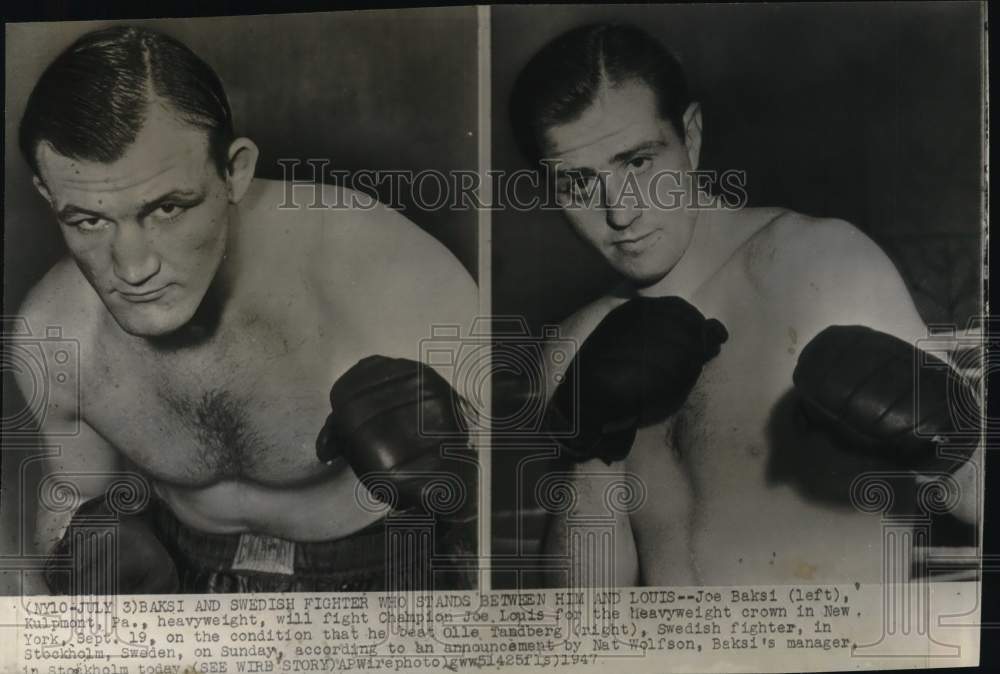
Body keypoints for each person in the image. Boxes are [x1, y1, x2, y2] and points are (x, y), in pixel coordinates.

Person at [508, 23, 980, 586]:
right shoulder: (572, 345)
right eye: (579, 184)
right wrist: (590, 451)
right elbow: (581, 621)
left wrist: (955, 452)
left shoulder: (817, 264)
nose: (620, 211)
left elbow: (978, 503)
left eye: (637, 163)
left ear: (692, 135)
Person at [14, 26, 478, 595]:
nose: (132, 269)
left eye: (167, 209)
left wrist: (464, 491)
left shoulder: (386, 274)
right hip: (184, 568)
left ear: (234, 171)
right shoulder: (57, 332)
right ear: (46, 195)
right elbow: (67, 500)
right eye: (88, 220)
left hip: (388, 569)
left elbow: (524, 502)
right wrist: (75, 554)